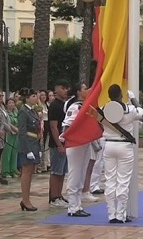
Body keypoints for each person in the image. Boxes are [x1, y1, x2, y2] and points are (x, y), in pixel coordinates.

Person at [100, 85, 142, 224]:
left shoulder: (103, 109)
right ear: (120, 95)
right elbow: (141, 112)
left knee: (110, 180)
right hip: (124, 146)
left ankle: (111, 214)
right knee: (123, 181)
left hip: (109, 145)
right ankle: (121, 215)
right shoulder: (129, 110)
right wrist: (133, 99)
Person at [62, 83, 91, 217]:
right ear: (79, 92)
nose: (87, 90)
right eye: (84, 88)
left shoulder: (86, 106)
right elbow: (67, 125)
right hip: (75, 144)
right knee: (75, 173)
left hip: (84, 143)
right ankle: (72, 206)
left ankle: (78, 204)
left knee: (82, 174)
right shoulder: (75, 107)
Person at [17, 88, 42, 212]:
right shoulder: (23, 111)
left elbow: (37, 130)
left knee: (30, 172)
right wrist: (27, 150)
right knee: (26, 173)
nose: (35, 98)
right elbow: (22, 132)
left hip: (34, 143)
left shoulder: (32, 111)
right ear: (26, 98)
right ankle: (25, 200)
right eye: (33, 96)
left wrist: (39, 147)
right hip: (27, 144)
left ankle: (26, 199)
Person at [47, 81, 70, 207]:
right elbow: (53, 126)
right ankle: (54, 197)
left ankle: (59, 195)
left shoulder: (65, 105)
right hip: (57, 143)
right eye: (63, 88)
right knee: (56, 172)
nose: (65, 90)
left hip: (65, 142)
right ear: (56, 90)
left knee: (62, 172)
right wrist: (59, 144)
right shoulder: (55, 105)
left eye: (66, 88)